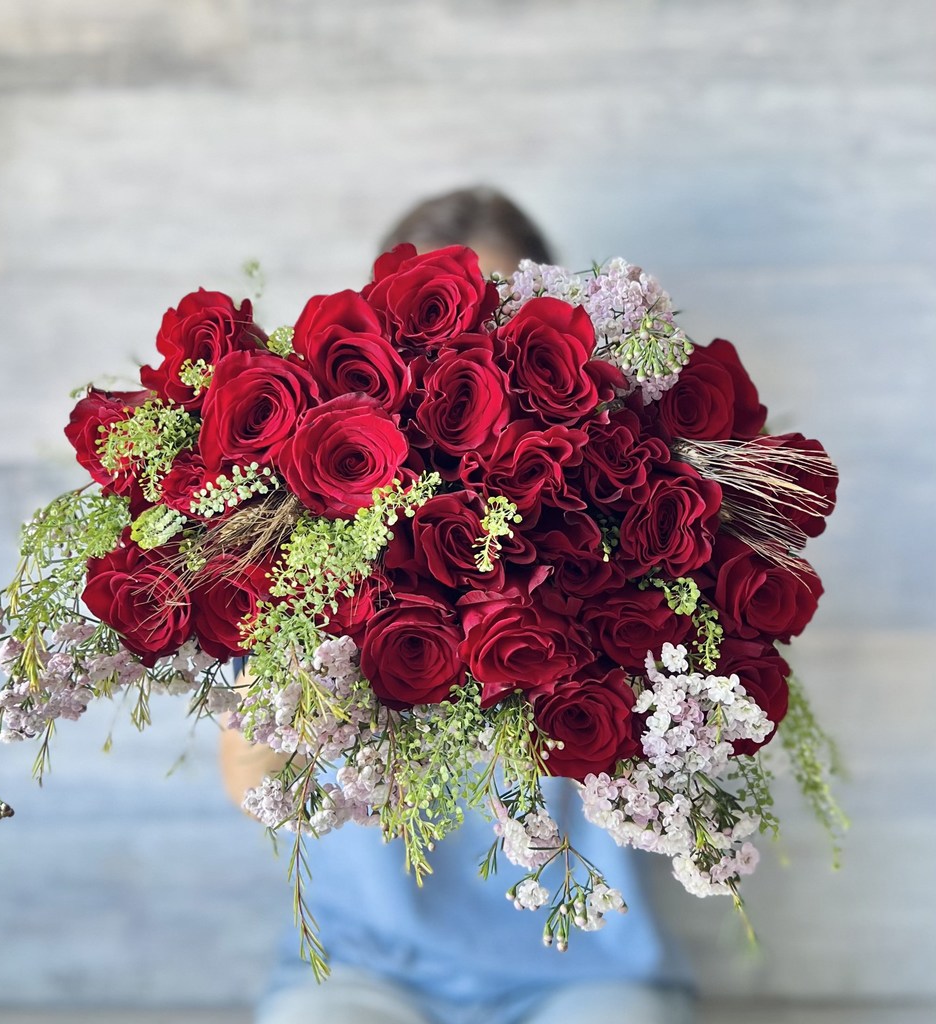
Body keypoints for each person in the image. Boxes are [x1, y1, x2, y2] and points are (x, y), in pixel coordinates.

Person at [220, 186, 696, 1024]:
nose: (472, 367)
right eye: (435, 340)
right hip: (367, 972)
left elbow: (696, 770)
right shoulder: (312, 524)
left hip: (590, 973)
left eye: (501, 333)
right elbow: (252, 781)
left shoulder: (641, 511)